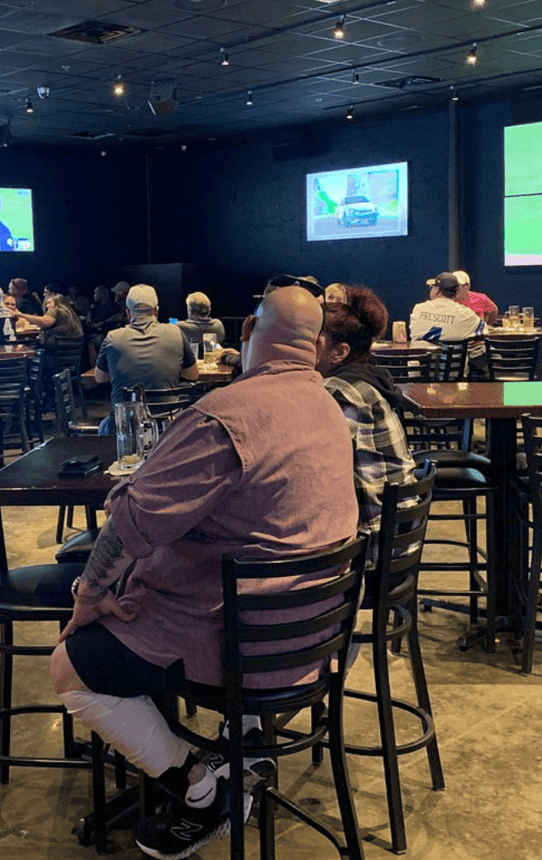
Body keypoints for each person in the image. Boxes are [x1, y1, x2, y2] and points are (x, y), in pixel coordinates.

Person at [49, 284, 359, 860]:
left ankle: (199, 789)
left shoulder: (221, 417)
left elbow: (134, 523)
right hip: (319, 635)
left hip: (241, 646)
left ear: (244, 333)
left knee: (71, 665)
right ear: (317, 345)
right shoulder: (330, 406)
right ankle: (243, 741)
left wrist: (89, 591)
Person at [317, 287, 416, 566]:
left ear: (339, 352)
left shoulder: (340, 394)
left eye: (312, 340)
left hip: (371, 551)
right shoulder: (368, 381)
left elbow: (303, 468)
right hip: (397, 537)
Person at [94, 284, 198, 433]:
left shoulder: (113, 338)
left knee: (104, 425)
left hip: (126, 428)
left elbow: (100, 377)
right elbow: (193, 375)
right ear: (156, 311)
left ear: (128, 313)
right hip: (168, 428)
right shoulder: (176, 333)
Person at [409, 272, 488, 370]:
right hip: (453, 375)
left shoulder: (418, 309)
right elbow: (484, 332)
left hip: (419, 373)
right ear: (456, 292)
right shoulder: (465, 314)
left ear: (437, 290)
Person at [17, 286, 84, 342]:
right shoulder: (68, 310)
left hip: (59, 347)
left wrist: (20, 314)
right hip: (72, 346)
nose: (47, 306)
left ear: (58, 303)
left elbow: (45, 322)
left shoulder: (56, 309)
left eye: (49, 303)